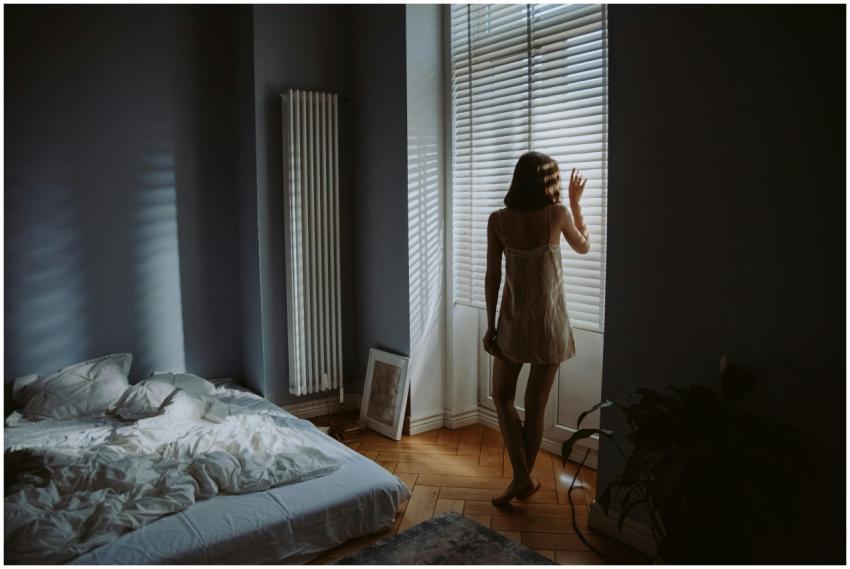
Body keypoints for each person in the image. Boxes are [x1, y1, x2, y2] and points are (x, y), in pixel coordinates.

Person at [482, 151, 591, 507]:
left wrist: (490, 324)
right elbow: (584, 246)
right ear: (549, 182)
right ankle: (522, 479)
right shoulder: (556, 214)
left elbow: (493, 277)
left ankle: (521, 479)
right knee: (535, 406)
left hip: (512, 323)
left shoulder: (498, 220)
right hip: (549, 324)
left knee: (502, 398)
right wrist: (576, 203)